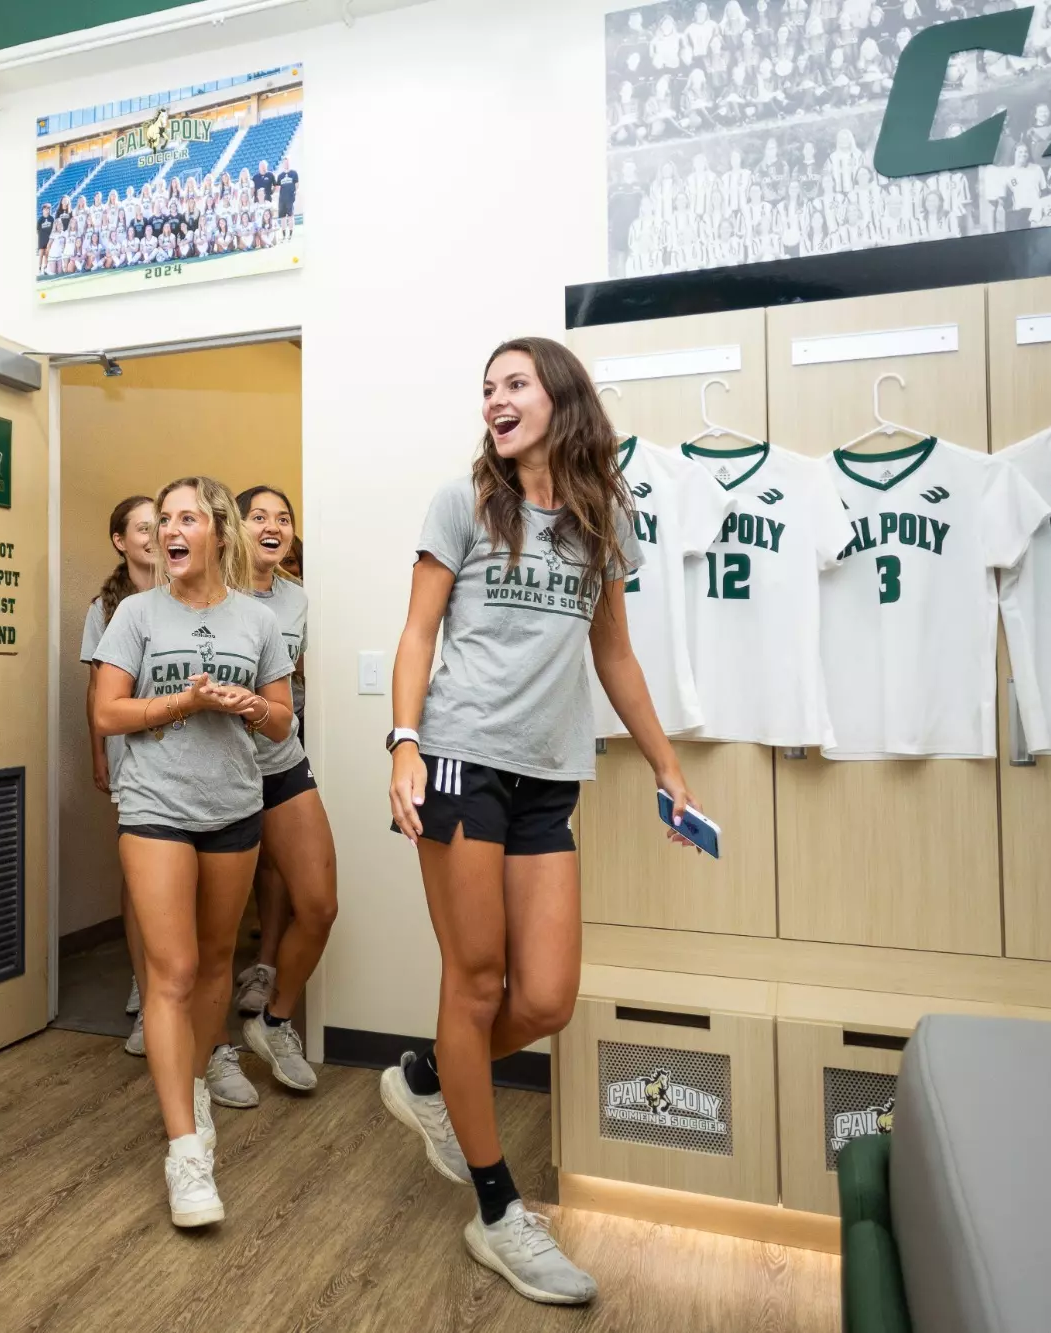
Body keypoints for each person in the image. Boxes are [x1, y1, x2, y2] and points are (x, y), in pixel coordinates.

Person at [380, 338, 701, 1306]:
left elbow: (614, 655)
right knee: (474, 979)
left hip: (550, 774)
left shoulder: (606, 520)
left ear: (561, 398)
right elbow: (416, 628)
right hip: (457, 758)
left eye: (513, 383)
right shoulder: (464, 502)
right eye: (485, 387)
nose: (494, 399)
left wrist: (665, 760)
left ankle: (428, 1076)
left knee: (547, 996)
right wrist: (401, 738)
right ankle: (496, 1212)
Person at [91, 477, 296, 1228]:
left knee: (216, 963)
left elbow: (281, 722)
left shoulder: (258, 620)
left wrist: (250, 705)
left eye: (185, 519)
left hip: (234, 806)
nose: (169, 531)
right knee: (172, 971)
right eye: (162, 519)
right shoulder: (136, 615)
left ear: (216, 532)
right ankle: (185, 1150)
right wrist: (184, 701)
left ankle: (197, 1082)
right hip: (154, 808)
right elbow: (108, 711)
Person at [230, 487, 337, 1099]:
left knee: (319, 905)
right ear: (235, 528)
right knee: (211, 929)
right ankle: (213, 1052)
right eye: (259, 517)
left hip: (280, 759)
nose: (274, 526)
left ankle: (273, 1022)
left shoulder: (295, 600)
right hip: (216, 772)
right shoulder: (213, 591)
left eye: (284, 517)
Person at [81, 496, 159, 1057]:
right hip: (131, 752)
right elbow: (97, 693)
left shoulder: (187, 595)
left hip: (186, 755)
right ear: (120, 541)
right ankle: (145, 981)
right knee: (139, 875)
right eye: (144, 527)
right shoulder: (105, 610)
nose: (156, 535)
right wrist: (98, 753)